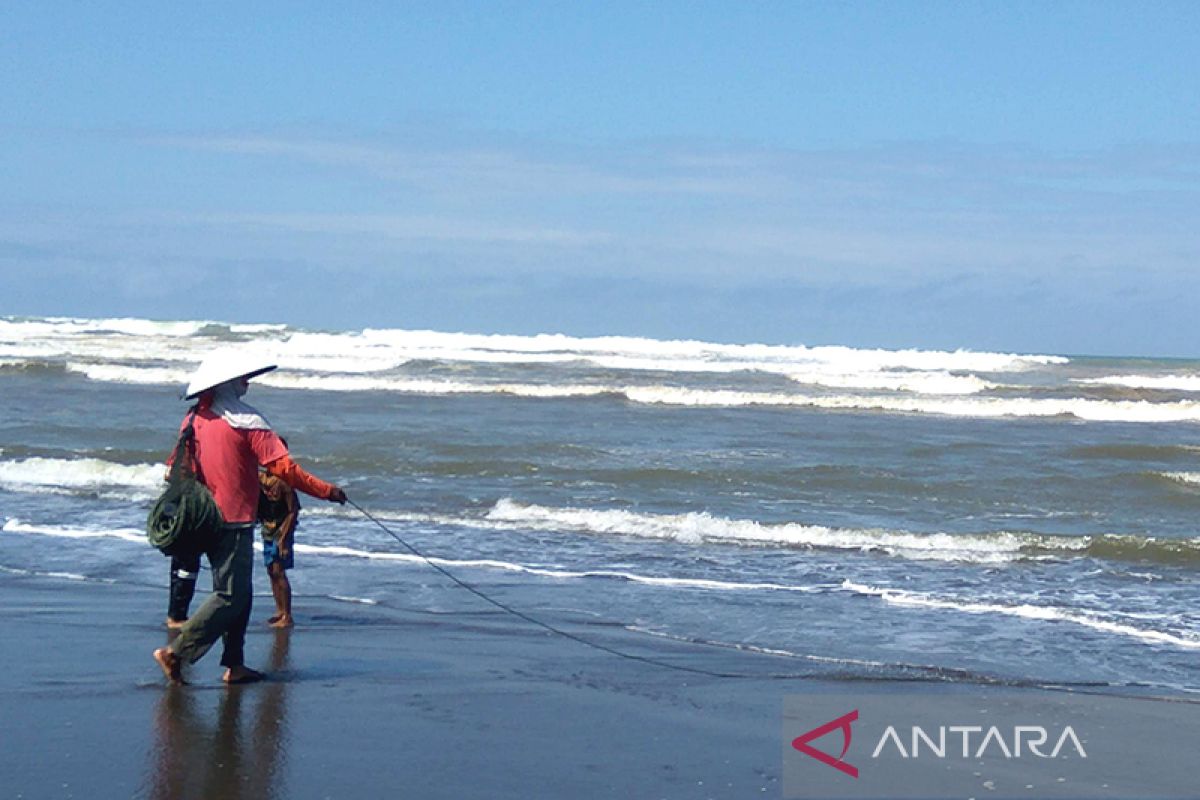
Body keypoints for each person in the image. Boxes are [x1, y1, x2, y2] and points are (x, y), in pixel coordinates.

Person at [153, 349, 346, 685]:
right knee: (230, 595)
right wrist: (327, 491)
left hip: (202, 519)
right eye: (242, 378)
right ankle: (176, 652)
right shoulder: (249, 422)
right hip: (234, 520)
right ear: (228, 383)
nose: (247, 383)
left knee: (239, 594)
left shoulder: (193, 420)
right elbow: (285, 469)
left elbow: (175, 468)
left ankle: (235, 664)